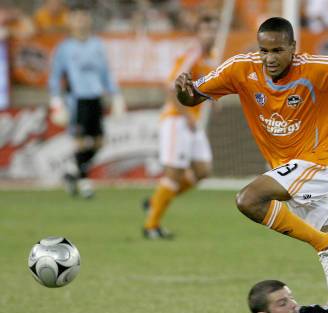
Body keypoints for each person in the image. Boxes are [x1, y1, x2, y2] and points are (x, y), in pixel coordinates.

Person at [175, 17, 328, 313]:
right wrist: (184, 92)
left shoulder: (313, 68)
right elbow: (194, 95)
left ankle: (324, 244)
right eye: (264, 50)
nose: (269, 58)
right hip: (289, 175)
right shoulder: (241, 69)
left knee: (249, 199)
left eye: (277, 50)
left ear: (293, 49)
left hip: (317, 164)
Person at [143, 15, 218, 239]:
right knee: (174, 174)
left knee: (203, 171)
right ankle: (151, 226)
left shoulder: (211, 57)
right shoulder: (191, 54)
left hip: (191, 122)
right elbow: (170, 86)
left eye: (213, 30)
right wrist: (186, 115)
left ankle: (155, 201)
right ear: (198, 34)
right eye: (205, 30)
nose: (210, 35)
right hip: (177, 119)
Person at [48, 6, 125, 199]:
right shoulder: (64, 48)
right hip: (77, 99)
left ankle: (73, 171)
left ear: (89, 20)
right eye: (77, 18)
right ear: (70, 22)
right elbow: (55, 76)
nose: (81, 21)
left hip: (95, 97)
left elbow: (106, 72)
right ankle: (84, 183)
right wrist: (56, 102)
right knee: (80, 142)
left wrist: (116, 95)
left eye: (84, 17)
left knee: (99, 142)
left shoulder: (97, 45)